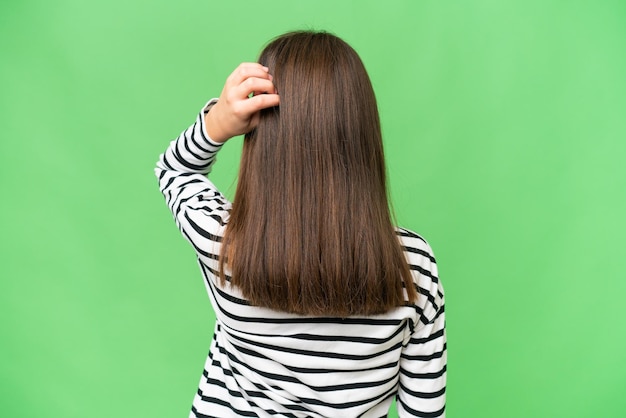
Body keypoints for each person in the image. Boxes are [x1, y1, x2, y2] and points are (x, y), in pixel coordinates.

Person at [156, 30, 446, 418]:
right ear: (362, 134)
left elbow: (175, 170)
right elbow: (423, 410)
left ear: (263, 136)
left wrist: (217, 122)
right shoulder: (412, 267)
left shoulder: (222, 243)